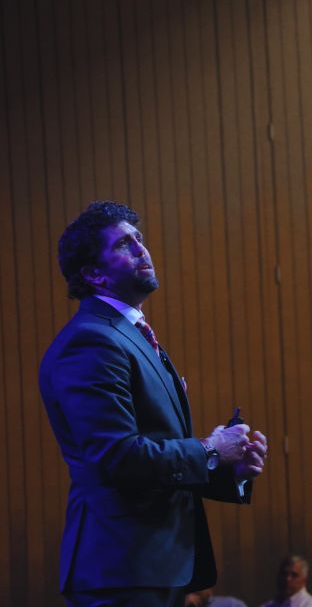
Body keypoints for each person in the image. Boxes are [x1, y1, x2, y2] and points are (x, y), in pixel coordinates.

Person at [40, 201, 269, 605]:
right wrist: (210, 448)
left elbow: (155, 459)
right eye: (124, 245)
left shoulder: (129, 335)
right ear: (93, 273)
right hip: (121, 566)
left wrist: (227, 469)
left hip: (152, 562)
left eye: (139, 239)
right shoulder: (91, 340)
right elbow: (119, 457)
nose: (142, 250)